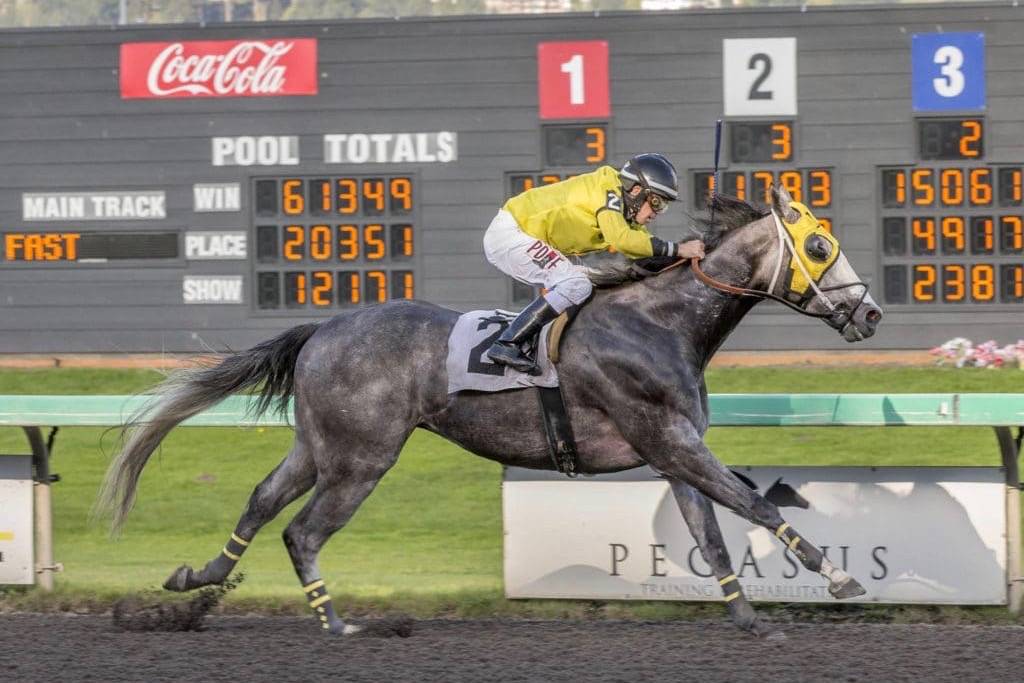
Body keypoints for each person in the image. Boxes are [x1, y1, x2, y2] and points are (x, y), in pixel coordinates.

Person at [483, 153, 706, 374]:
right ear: (637, 191)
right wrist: (679, 249)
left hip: (522, 235)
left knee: (593, 282)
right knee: (576, 284)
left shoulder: (622, 207)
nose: (656, 213)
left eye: (663, 206)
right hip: (511, 234)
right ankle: (507, 344)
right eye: (657, 202)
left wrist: (690, 256)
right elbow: (624, 241)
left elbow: (644, 252)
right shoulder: (608, 193)